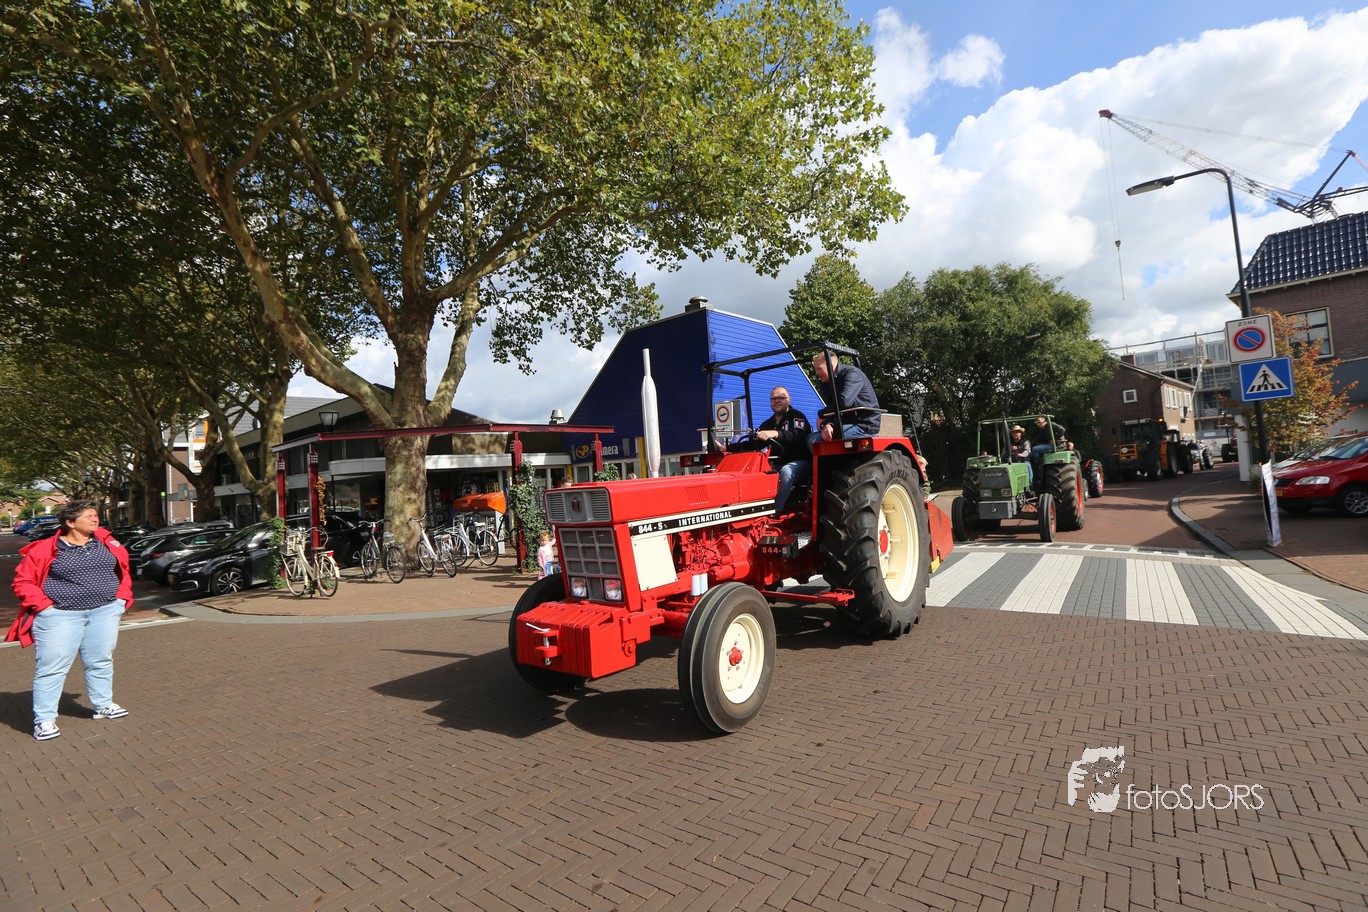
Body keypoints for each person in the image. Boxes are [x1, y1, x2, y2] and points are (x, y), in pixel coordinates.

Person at [7, 500, 134, 742]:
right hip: (60, 617)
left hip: (104, 612)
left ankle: (103, 705)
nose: (95, 519)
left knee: (101, 661)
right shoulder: (45, 548)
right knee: (52, 668)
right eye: (89, 516)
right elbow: (23, 581)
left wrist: (121, 599)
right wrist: (45, 607)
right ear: (70, 522)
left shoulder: (106, 541)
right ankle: (44, 720)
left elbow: (124, 569)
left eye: (96, 515)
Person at [755, 385, 811, 514]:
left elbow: (797, 434)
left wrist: (776, 434)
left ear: (788, 400)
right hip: (776, 463)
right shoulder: (768, 423)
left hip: (800, 462)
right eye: (774, 398)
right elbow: (754, 444)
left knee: (786, 471)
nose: (777, 401)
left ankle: (774, 511)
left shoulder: (796, 416)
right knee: (756, 469)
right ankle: (755, 509)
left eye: (781, 398)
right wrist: (727, 448)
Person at [809, 352, 881, 444]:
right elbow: (833, 408)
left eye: (819, 369)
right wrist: (829, 424)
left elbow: (844, 402)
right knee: (809, 437)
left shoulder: (852, 374)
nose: (816, 373)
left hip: (863, 425)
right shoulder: (829, 383)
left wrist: (821, 414)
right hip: (845, 423)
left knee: (814, 441)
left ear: (830, 366)